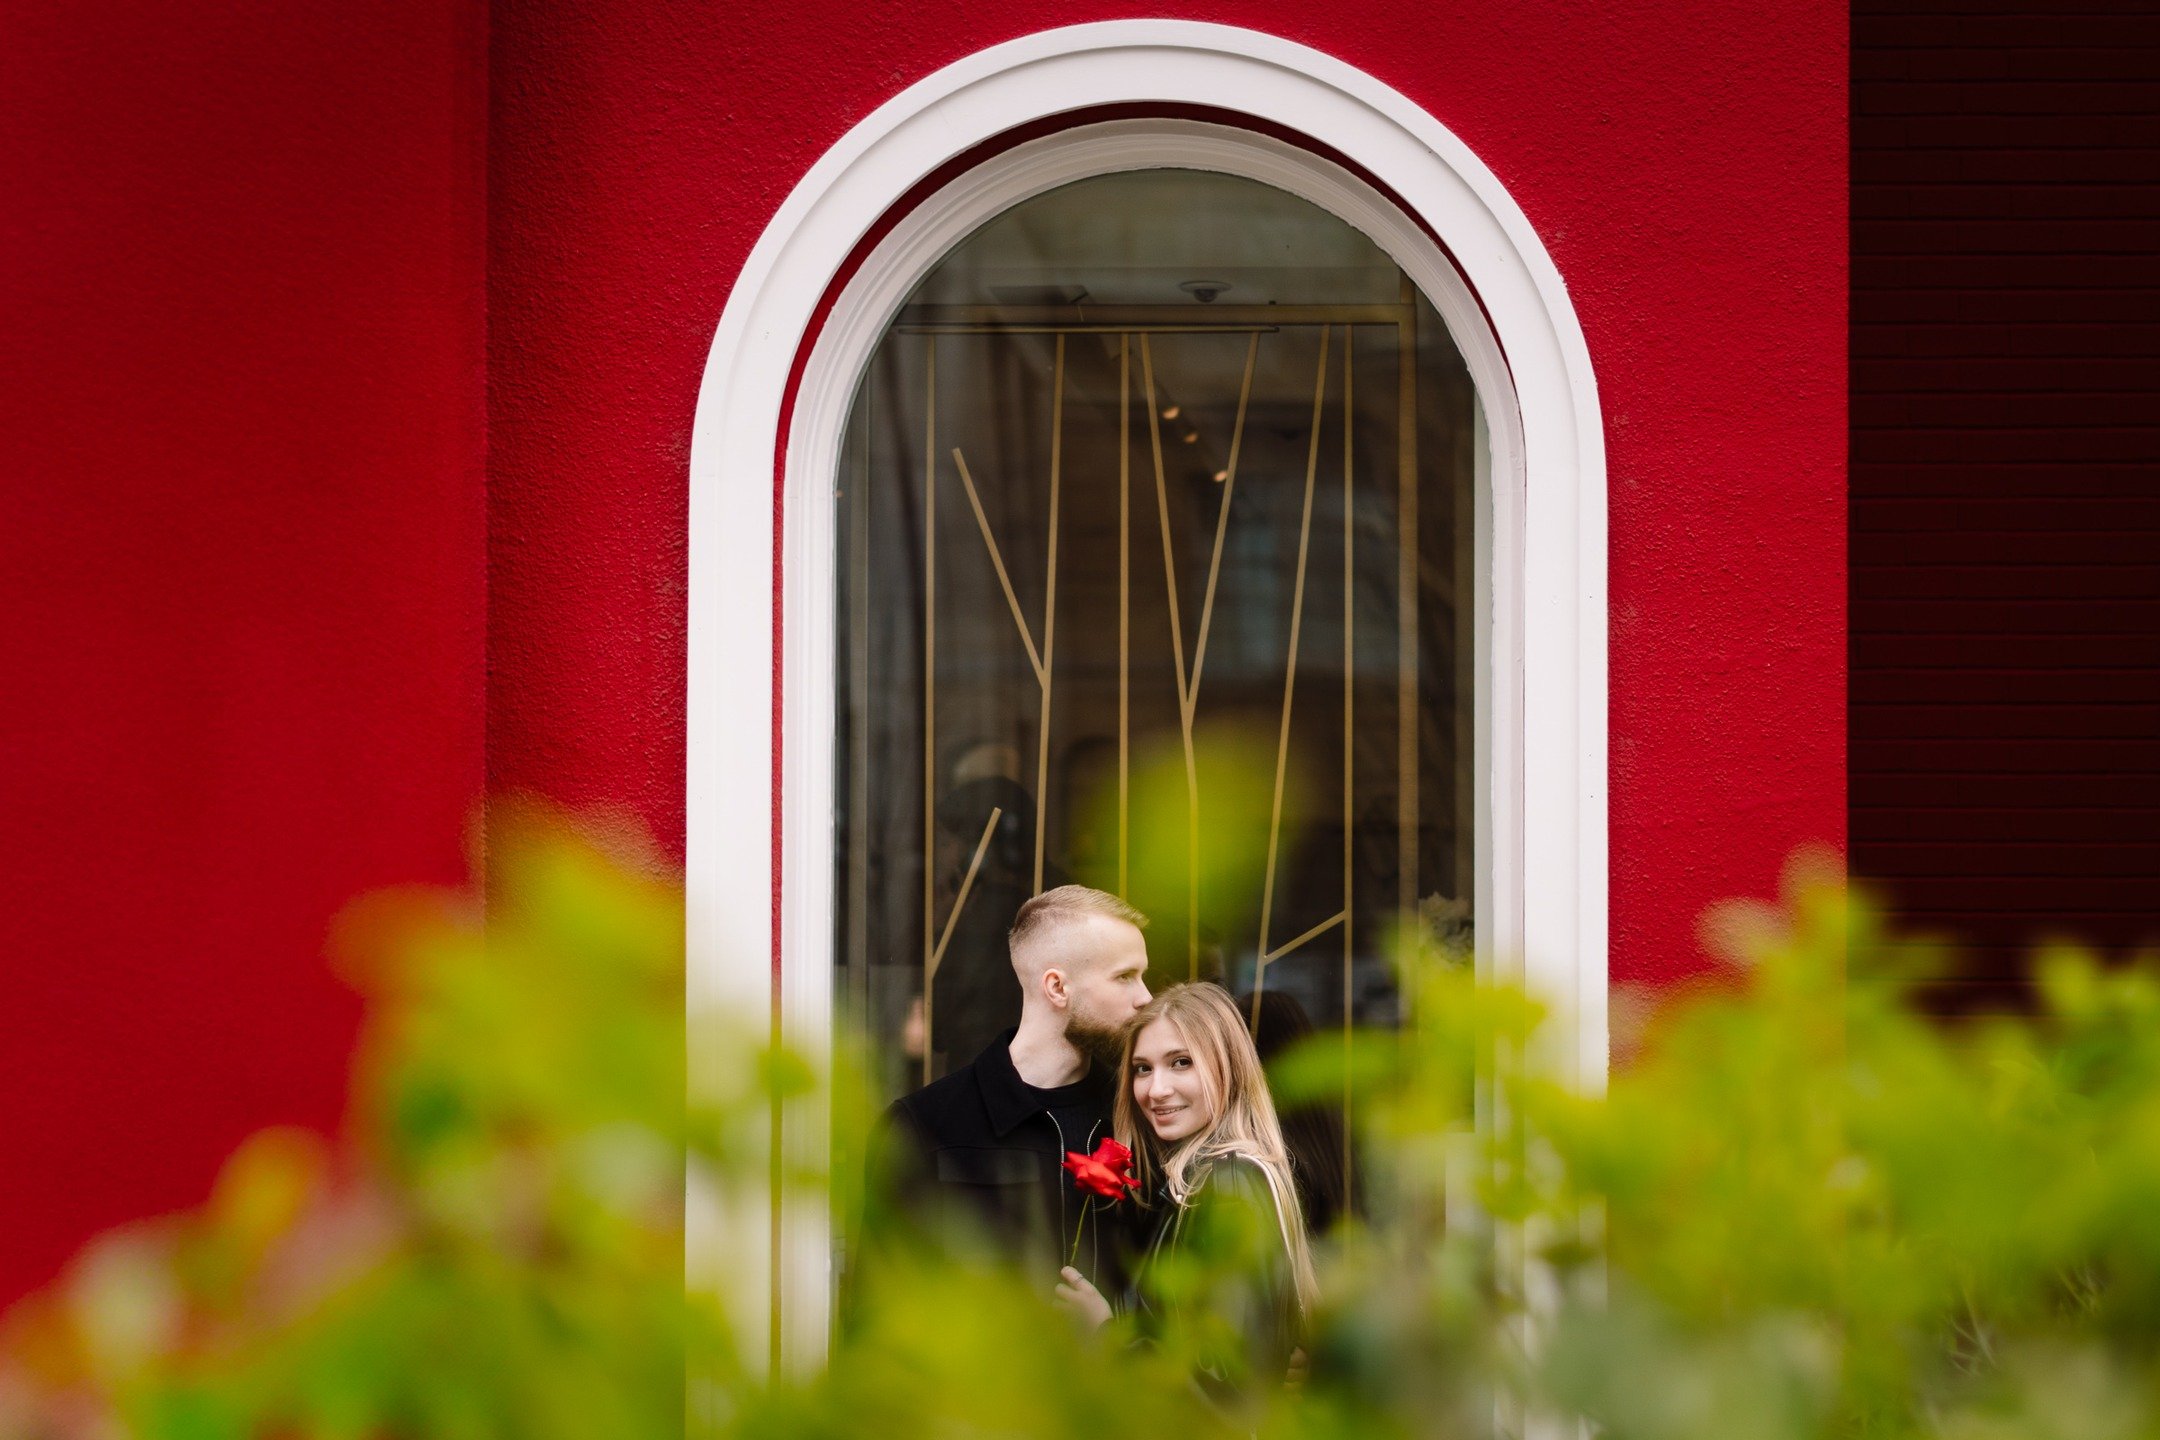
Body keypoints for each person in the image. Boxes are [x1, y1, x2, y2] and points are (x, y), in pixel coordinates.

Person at [865, 885, 1152, 1282]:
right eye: (1125, 977)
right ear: (1057, 987)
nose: (1146, 997)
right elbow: (883, 1303)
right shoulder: (925, 1127)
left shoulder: (1141, 1115)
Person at [1054, 983, 1318, 1399]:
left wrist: (1104, 1334)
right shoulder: (1193, 1182)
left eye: (1181, 1063)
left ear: (1227, 1069)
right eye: (1143, 1068)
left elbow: (1220, 1385)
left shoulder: (1229, 1182)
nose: (1156, 1090)